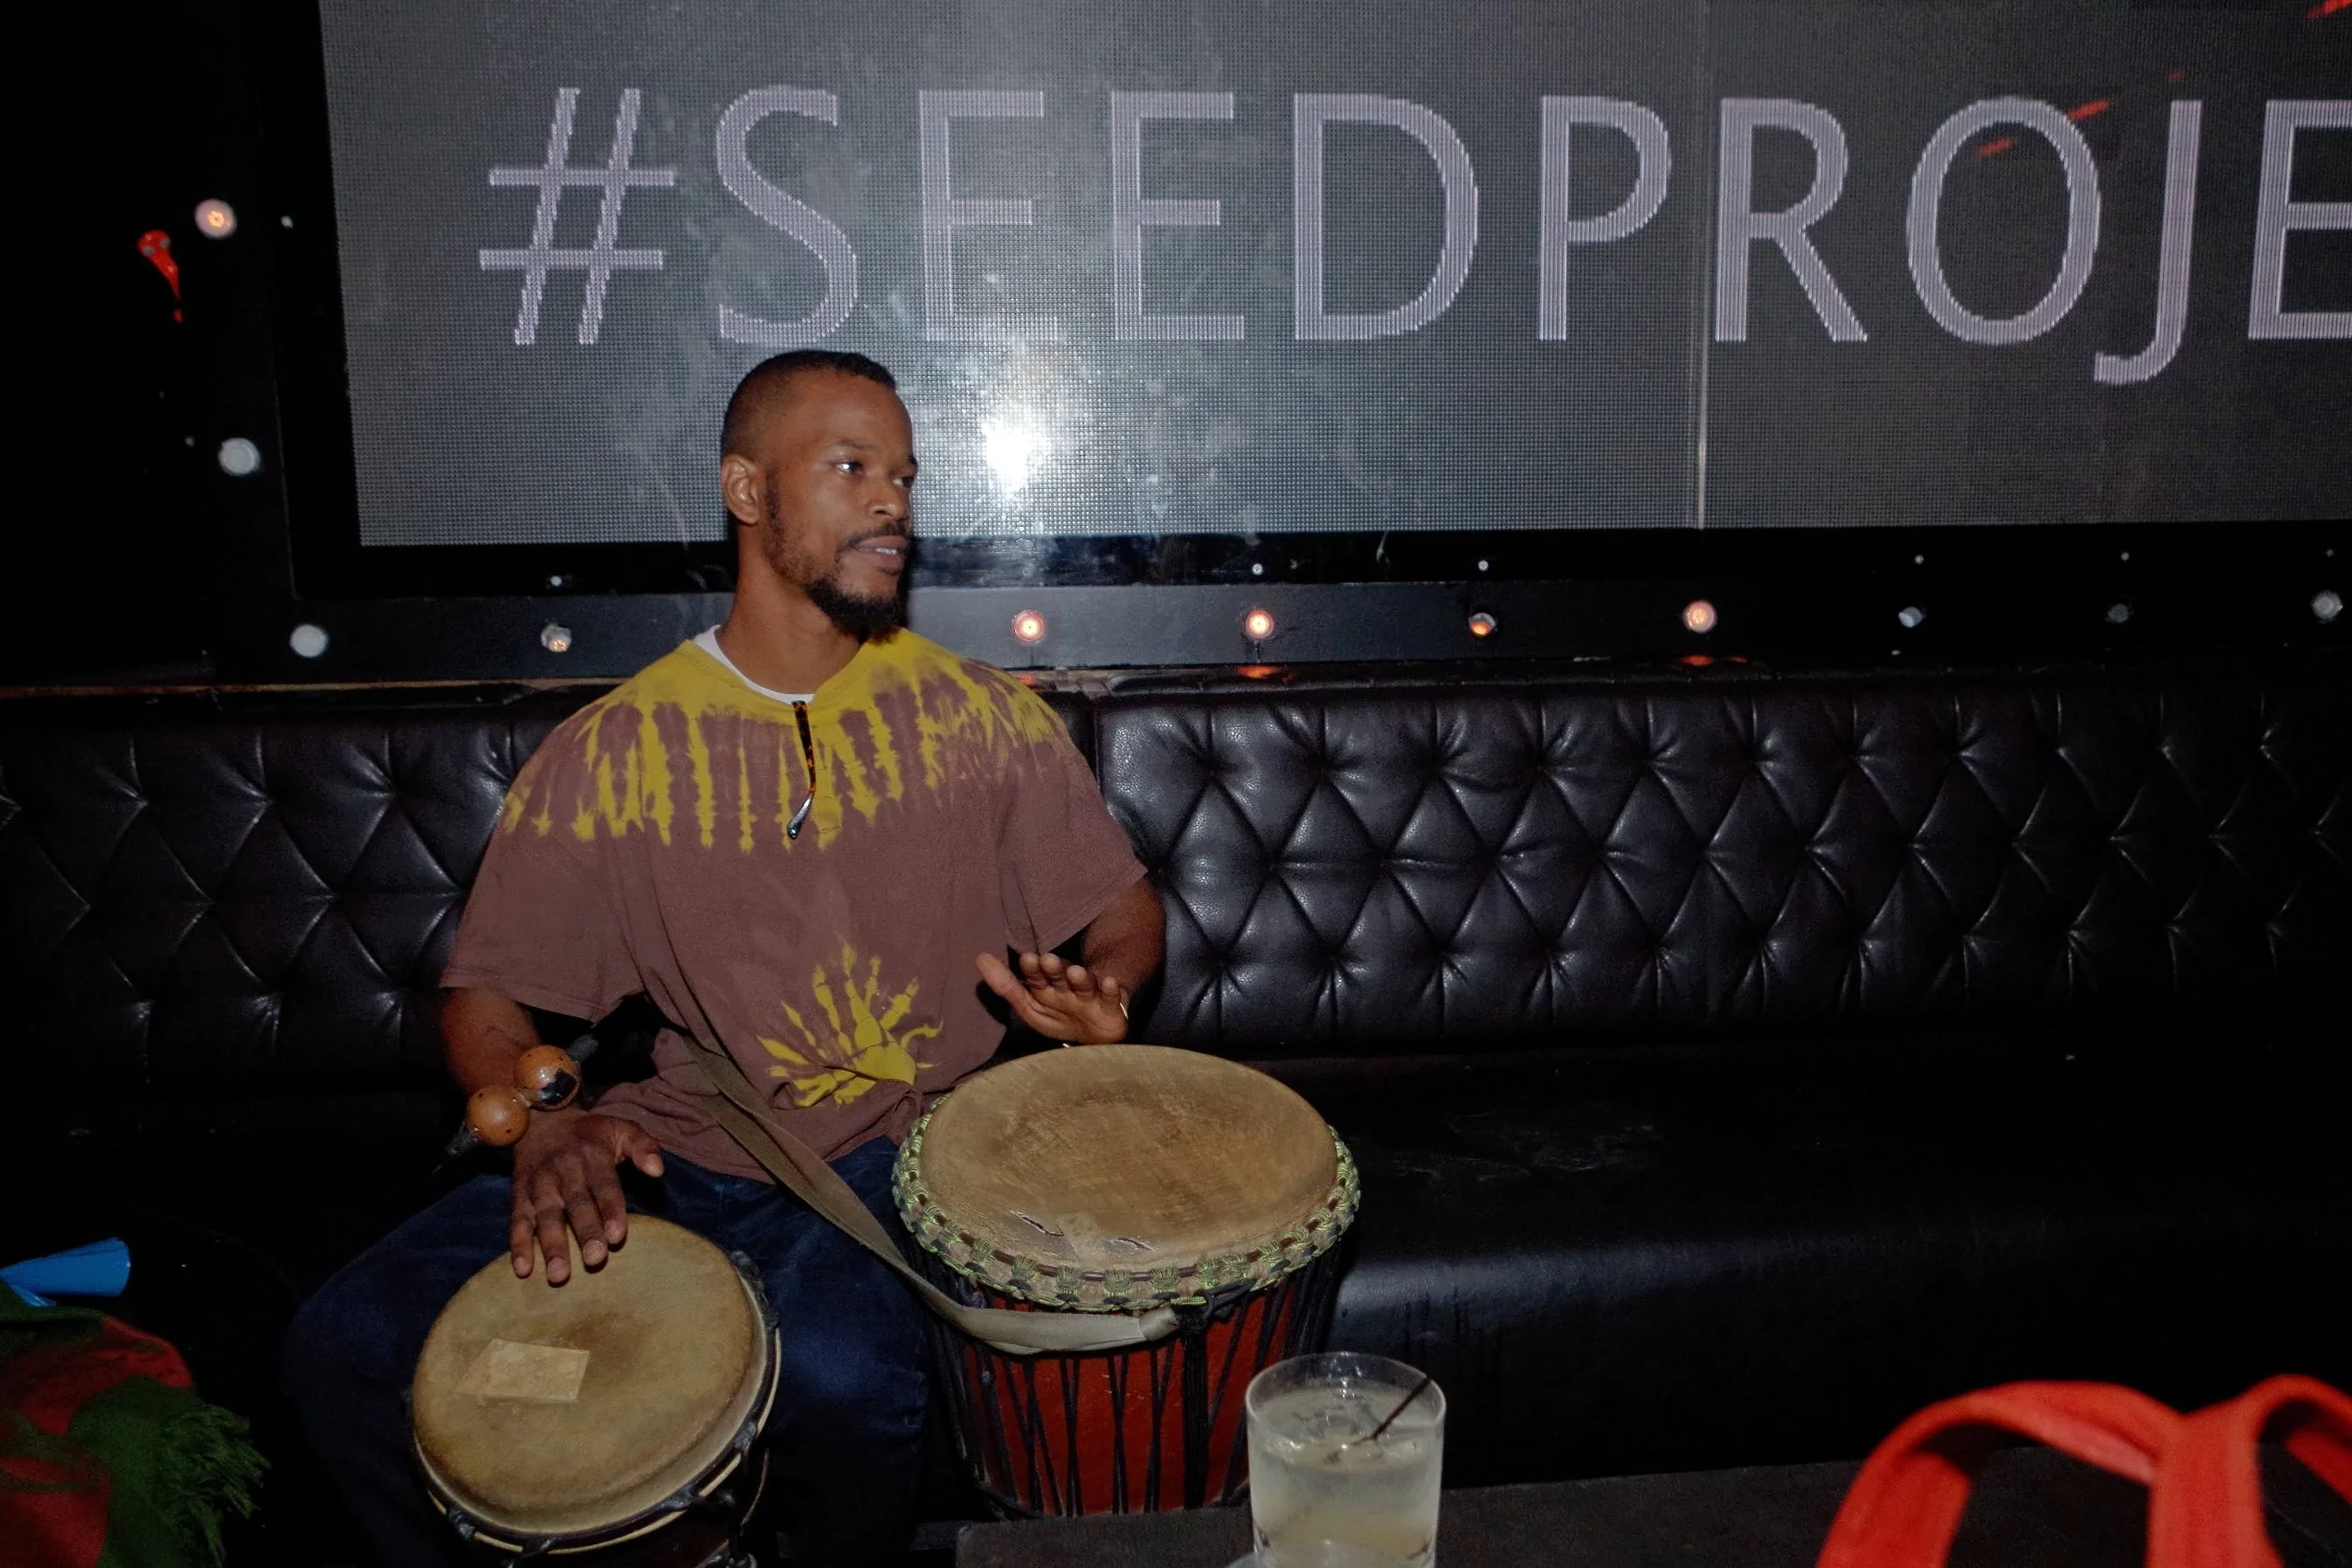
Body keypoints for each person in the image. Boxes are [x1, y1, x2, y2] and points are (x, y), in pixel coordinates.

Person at [279, 349, 1165, 1567]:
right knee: (345, 1345)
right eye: (851, 467)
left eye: (904, 475)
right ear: (748, 491)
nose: (893, 502)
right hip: (680, 1147)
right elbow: (487, 998)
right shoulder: (616, 749)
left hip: (901, 1156)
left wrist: (1106, 993)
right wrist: (546, 1124)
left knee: (843, 1374)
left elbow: (1124, 910)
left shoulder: (983, 718)